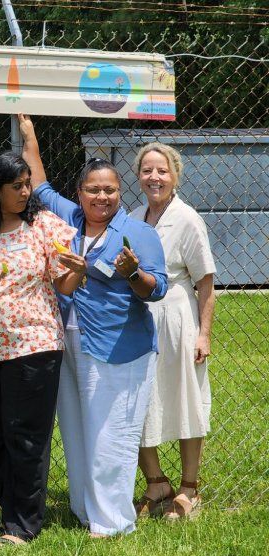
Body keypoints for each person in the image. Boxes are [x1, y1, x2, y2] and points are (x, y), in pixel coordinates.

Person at [18, 113, 168, 537]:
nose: (101, 197)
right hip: (68, 342)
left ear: (121, 193)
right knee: (78, 430)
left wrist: (134, 273)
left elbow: (156, 290)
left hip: (120, 348)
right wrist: (28, 131)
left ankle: (114, 521)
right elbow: (42, 186)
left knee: (111, 436)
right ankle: (86, 510)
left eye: (110, 190)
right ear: (80, 194)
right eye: (93, 190)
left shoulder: (138, 234)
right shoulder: (71, 222)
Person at [0, 151, 82, 545]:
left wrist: (76, 272)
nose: (26, 191)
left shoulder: (45, 226)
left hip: (34, 344)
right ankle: (8, 509)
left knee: (26, 436)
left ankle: (22, 525)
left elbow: (62, 285)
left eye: (28, 184)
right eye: (17, 186)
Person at [128, 143, 217, 521]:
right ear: (138, 176)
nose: (154, 177)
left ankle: (189, 488)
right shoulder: (133, 218)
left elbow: (206, 283)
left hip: (178, 317)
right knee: (139, 401)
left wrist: (204, 334)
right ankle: (156, 484)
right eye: (147, 170)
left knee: (184, 397)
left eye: (161, 171)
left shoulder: (187, 219)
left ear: (175, 175)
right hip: (138, 320)